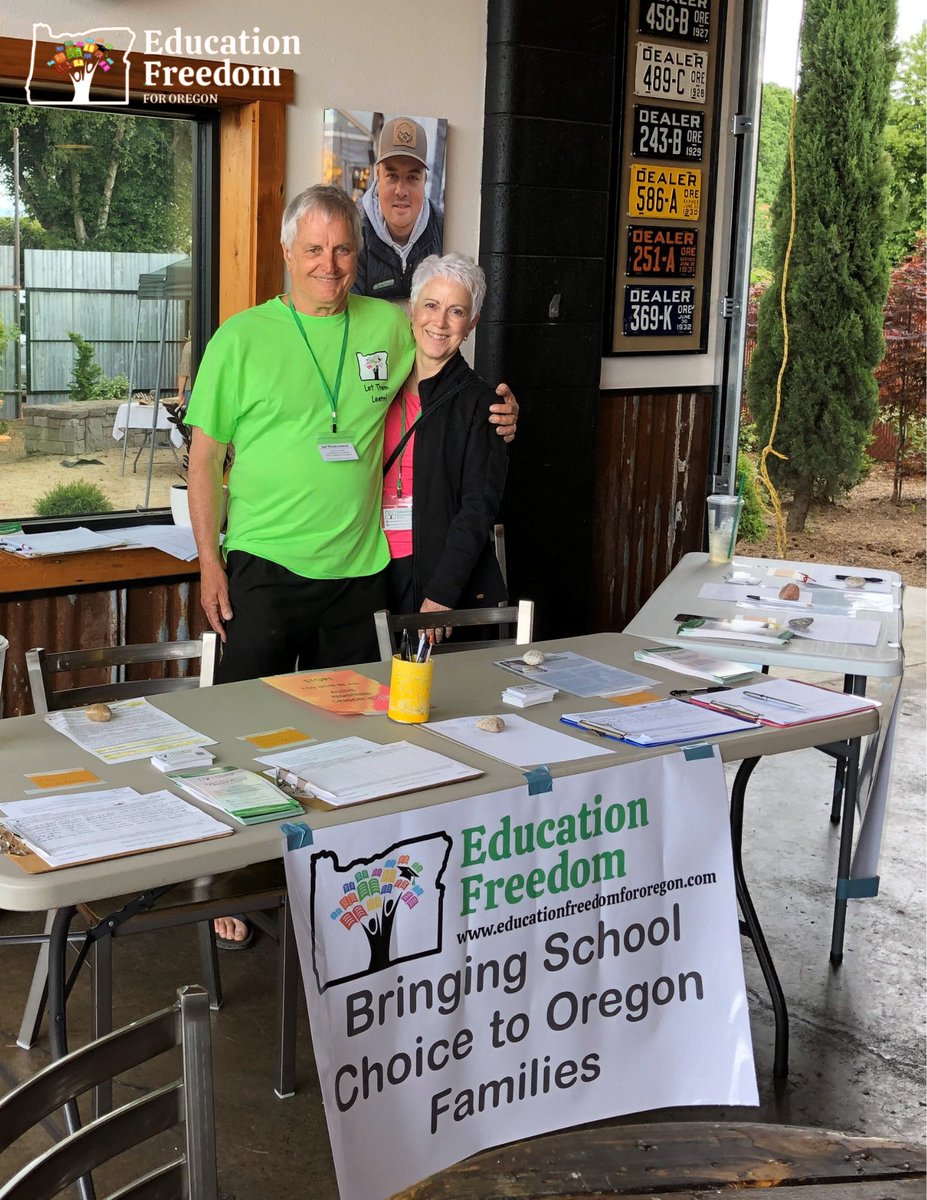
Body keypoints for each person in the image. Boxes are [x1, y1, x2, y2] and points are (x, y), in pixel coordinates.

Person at [383, 253, 507, 625]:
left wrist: (443, 593)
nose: (439, 321)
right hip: (366, 570)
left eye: (455, 311)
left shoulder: (482, 403)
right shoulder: (377, 388)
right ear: (411, 309)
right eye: (431, 305)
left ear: (471, 324)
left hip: (431, 578)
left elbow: (477, 508)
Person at [352, 117, 444, 302]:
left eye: (412, 178)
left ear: (425, 180)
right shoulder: (352, 229)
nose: (401, 191)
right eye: (392, 176)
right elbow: (349, 313)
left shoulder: (443, 228)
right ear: (377, 175)